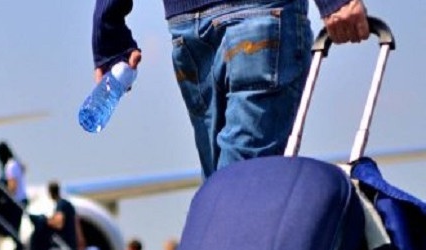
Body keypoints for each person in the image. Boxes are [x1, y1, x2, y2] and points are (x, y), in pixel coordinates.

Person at [90, 0, 370, 178]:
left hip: (188, 26)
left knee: (222, 187)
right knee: (238, 190)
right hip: (261, 13)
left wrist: (108, 24)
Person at [0, 141, 28, 250]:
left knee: (11, 228)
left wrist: (4, 197)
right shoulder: (15, 164)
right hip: (20, 200)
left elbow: (12, 186)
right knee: (14, 229)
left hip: (16, 202)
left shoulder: (10, 166)